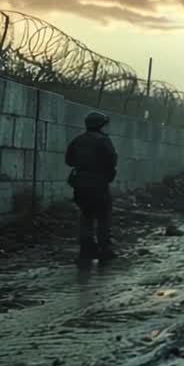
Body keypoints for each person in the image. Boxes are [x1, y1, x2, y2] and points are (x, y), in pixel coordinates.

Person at [66, 111, 119, 263]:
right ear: (100, 125)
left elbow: (69, 160)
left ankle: (85, 250)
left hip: (80, 184)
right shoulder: (103, 140)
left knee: (86, 215)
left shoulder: (77, 140)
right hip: (98, 183)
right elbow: (111, 161)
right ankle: (104, 249)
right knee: (103, 216)